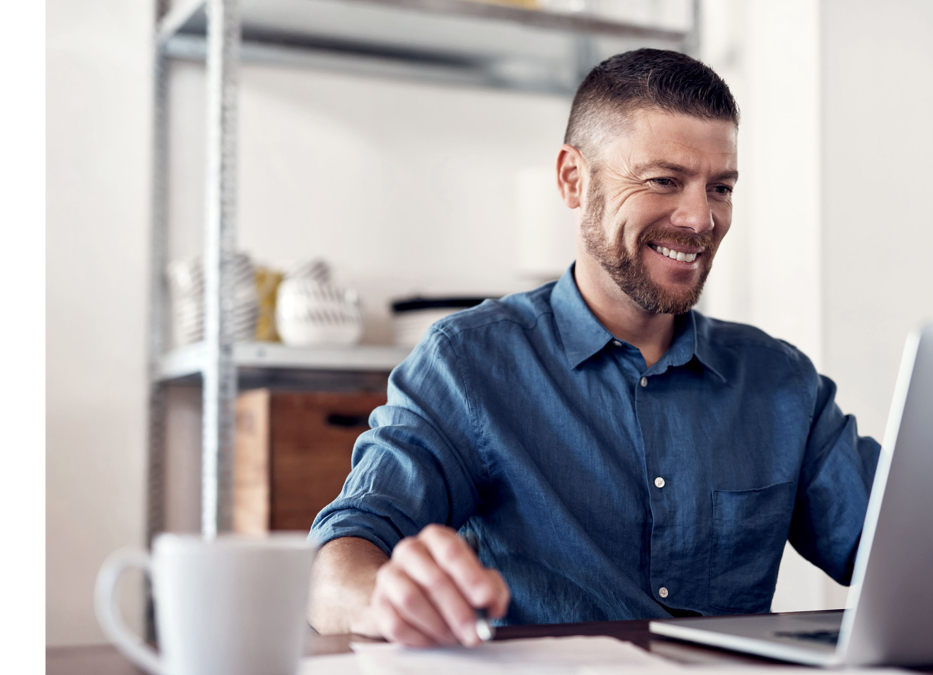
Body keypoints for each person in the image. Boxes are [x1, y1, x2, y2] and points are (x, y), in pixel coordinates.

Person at [306, 48, 880, 648]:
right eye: (665, 181)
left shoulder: (779, 381)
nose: (700, 219)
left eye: (721, 187)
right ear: (574, 180)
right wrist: (386, 599)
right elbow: (338, 558)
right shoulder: (470, 363)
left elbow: (901, 546)